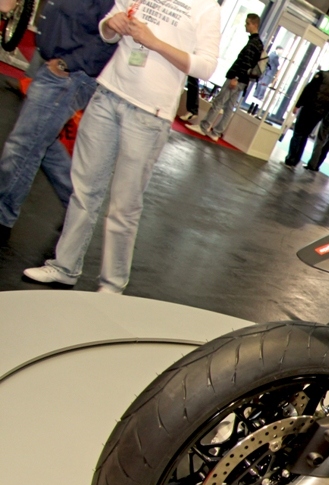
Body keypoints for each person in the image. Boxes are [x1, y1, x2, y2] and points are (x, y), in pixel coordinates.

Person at [22, 0, 221, 293]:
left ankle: (112, 285)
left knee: (124, 206)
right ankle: (65, 267)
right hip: (108, 95)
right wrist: (110, 26)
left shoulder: (206, 8)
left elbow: (206, 66)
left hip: (149, 113)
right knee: (84, 191)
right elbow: (108, 26)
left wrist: (154, 43)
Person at [0, 0, 118, 240]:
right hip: (54, 68)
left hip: (68, 76)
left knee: (23, 146)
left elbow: (109, 40)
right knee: (41, 141)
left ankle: (3, 217)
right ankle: (77, 208)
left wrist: (67, 65)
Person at [187, 13, 262, 143]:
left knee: (219, 102)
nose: (246, 25)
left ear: (255, 25)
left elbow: (245, 63)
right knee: (229, 107)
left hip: (237, 79)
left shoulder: (252, 44)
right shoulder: (258, 44)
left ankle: (204, 127)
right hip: (243, 81)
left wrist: (235, 78)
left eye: (248, 23)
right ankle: (216, 132)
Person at [284, 59, 329, 167]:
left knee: (298, 132)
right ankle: (296, 159)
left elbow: (308, 90)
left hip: (309, 108)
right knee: (305, 135)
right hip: (319, 113)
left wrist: (298, 104)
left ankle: (291, 158)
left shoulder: (322, 75)